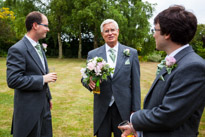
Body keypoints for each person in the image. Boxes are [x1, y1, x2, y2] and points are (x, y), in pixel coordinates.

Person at [118, 5, 205, 137]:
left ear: (167, 34)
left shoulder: (193, 67)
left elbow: (169, 115)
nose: (153, 35)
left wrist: (135, 118)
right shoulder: (178, 60)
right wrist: (138, 129)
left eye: (155, 30)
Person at [81, 19, 141, 137]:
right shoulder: (93, 54)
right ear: (102, 34)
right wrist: (89, 83)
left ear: (118, 31)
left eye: (112, 30)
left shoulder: (131, 53)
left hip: (123, 108)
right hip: (103, 107)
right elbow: (84, 78)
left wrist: (135, 110)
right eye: (106, 31)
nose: (110, 33)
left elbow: (136, 84)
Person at [7, 11, 57, 137]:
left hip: (44, 107)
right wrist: (42, 79)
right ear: (35, 25)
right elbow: (13, 80)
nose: (48, 29)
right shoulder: (17, 49)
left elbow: (41, 72)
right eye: (45, 25)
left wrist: (48, 97)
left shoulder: (39, 47)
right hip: (29, 111)